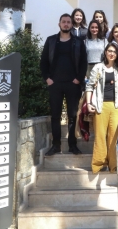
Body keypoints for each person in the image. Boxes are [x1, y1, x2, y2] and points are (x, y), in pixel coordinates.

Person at [40, 13, 87, 156]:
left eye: (68, 22)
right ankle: (56, 145)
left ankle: (72, 145)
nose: (66, 24)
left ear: (72, 25)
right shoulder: (51, 40)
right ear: (59, 24)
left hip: (73, 84)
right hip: (55, 84)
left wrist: (78, 79)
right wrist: (47, 79)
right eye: (64, 22)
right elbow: (43, 62)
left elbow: (83, 62)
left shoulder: (78, 42)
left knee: (73, 116)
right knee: (55, 115)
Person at [86, 42, 118, 173]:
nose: (112, 53)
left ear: (117, 54)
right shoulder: (98, 67)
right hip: (100, 105)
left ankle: (115, 165)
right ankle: (99, 164)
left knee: (114, 136)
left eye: (114, 51)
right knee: (100, 136)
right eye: (109, 51)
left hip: (116, 106)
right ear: (105, 53)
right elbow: (89, 86)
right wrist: (89, 103)